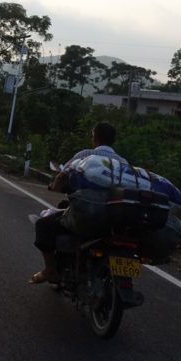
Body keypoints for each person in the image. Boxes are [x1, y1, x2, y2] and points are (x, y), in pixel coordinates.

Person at [29, 121, 119, 284]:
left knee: (44, 225)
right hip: (112, 217)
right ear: (113, 141)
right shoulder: (122, 162)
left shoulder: (86, 155)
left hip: (86, 213)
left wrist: (54, 187)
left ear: (95, 138)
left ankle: (50, 270)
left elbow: (63, 175)